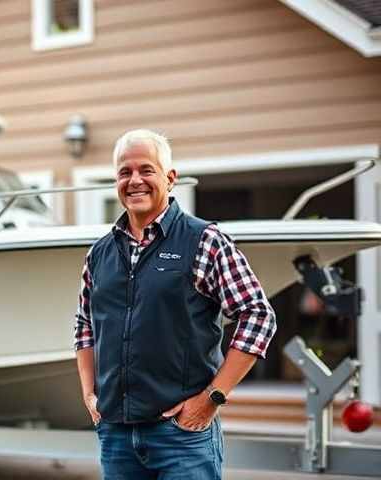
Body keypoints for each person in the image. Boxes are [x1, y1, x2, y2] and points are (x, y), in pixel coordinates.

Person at [73, 129, 277, 479]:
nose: (135, 180)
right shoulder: (99, 253)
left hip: (183, 438)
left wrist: (211, 398)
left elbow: (258, 316)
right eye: (125, 172)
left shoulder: (205, 240)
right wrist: (89, 396)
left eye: (146, 170)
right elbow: (84, 325)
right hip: (116, 437)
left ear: (170, 179)